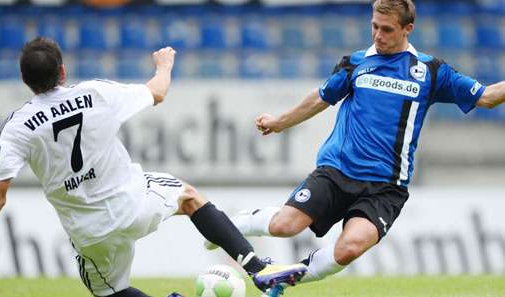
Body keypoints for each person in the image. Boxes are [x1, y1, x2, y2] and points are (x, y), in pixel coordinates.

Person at [206, 0, 505, 295]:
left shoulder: (431, 70)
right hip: (337, 171)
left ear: (407, 29)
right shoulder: (357, 62)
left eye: (387, 29)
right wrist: (280, 122)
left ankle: (282, 278)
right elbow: (320, 97)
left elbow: (488, 97)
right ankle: (230, 225)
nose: (378, 35)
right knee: (286, 225)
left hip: (386, 187)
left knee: (349, 248)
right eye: (374, 26)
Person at [0, 37, 306, 297]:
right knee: (189, 197)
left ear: (25, 80)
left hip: (91, 230)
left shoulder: (16, 127)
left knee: (111, 292)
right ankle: (258, 268)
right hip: (135, 201)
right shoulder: (94, 92)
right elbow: (157, 91)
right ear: (62, 71)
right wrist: (164, 65)